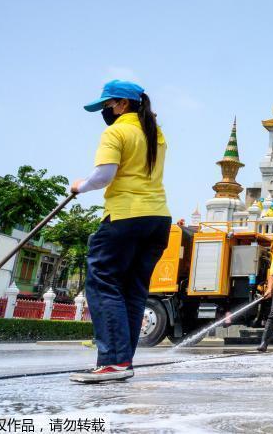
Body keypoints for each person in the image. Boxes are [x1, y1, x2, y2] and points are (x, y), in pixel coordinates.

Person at [69, 81, 171, 384]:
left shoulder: (116, 131)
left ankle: (112, 361)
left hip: (125, 217)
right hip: (158, 219)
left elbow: (104, 176)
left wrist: (79, 186)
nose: (105, 111)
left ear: (122, 105)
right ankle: (122, 361)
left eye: (107, 105)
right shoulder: (157, 134)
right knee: (133, 290)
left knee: (103, 284)